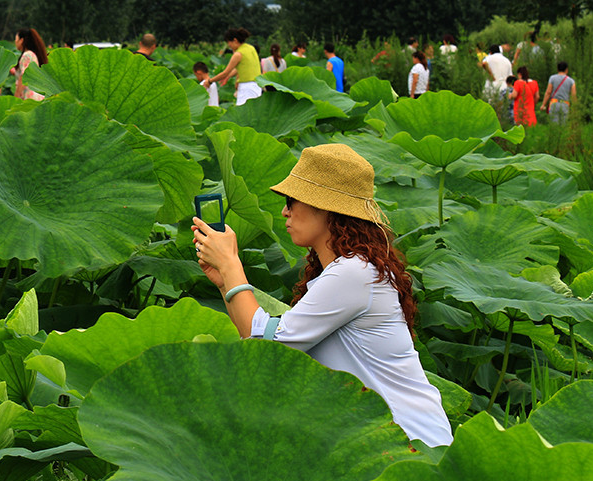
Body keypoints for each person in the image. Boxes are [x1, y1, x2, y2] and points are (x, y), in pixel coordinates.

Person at [191, 143, 453, 447]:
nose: (284, 211)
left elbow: (267, 344)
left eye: (292, 200)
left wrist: (231, 265)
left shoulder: (354, 273)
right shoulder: (347, 271)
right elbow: (257, 342)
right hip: (381, 439)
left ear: (326, 208)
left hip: (411, 441)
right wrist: (224, 282)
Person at [210, 27, 261, 106]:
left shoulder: (238, 54)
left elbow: (225, 72)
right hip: (257, 85)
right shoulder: (251, 48)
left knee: (243, 115)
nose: (229, 46)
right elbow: (241, 68)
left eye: (228, 42)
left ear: (235, 40)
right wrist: (228, 77)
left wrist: (210, 81)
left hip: (247, 87)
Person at [12, 27, 48, 101]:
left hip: (28, 97)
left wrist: (16, 97)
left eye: (16, 39)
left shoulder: (27, 55)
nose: (15, 42)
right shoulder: (32, 54)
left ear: (21, 40)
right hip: (35, 96)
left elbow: (24, 77)